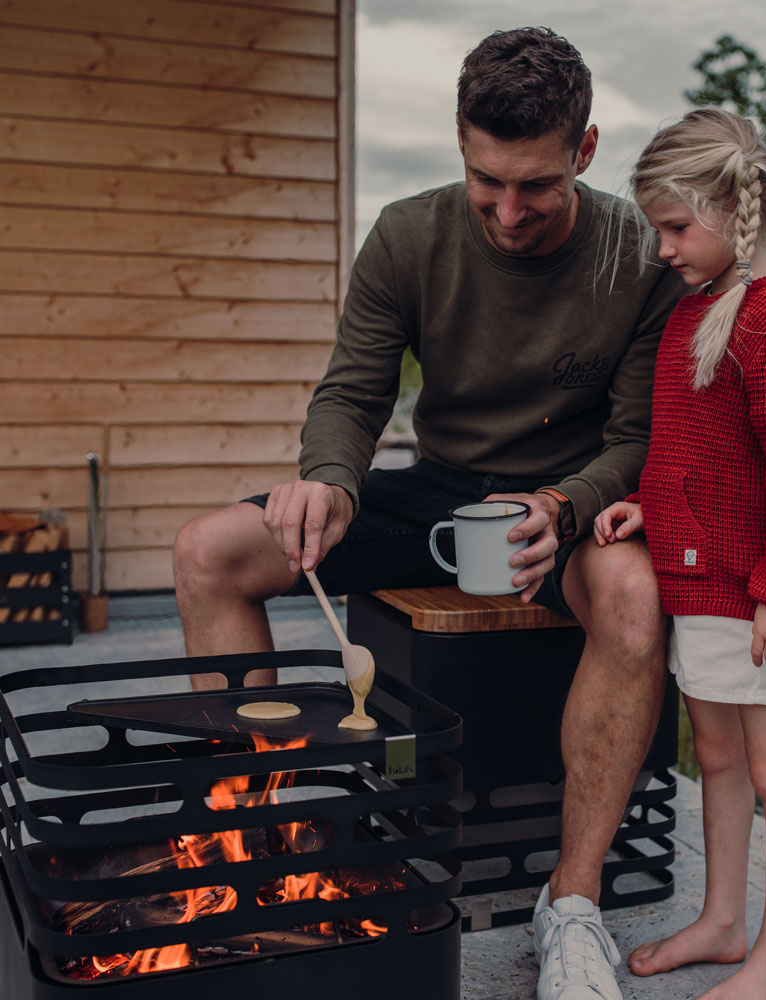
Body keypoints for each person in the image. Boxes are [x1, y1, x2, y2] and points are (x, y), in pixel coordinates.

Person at [172, 27, 685, 1000]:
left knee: (632, 597)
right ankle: (246, 848)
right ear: (459, 139)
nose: (505, 210)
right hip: (439, 484)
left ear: (583, 150)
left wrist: (565, 505)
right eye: (484, 177)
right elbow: (353, 394)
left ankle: (569, 908)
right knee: (208, 551)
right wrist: (325, 479)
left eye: (533, 184)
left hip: (565, 503)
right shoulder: (409, 233)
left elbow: (634, 438)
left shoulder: (634, 255)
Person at [594, 107, 766, 1000]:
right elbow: (697, 458)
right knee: (719, 756)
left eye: (674, 227)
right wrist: (645, 510)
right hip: (701, 588)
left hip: (758, 602)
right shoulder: (700, 314)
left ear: (732, 213)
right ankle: (724, 919)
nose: (663, 248)